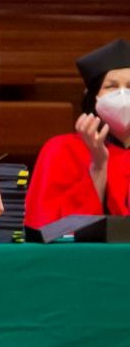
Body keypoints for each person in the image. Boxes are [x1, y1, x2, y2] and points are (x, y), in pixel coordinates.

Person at [22, 38, 130, 227]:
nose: (123, 95)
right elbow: (50, 227)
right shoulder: (61, 149)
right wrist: (98, 166)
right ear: (94, 98)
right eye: (111, 86)